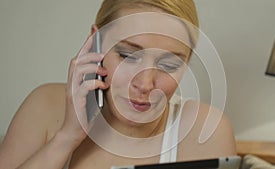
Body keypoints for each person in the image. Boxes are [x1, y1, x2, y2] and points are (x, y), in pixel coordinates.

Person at [0, 0, 236, 169]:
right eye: (128, 56)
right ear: (95, 42)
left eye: (169, 64)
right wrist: (66, 138)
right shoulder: (44, 106)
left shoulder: (205, 131)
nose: (145, 84)